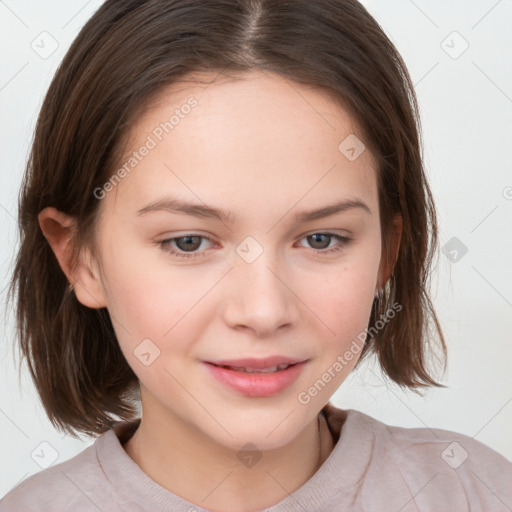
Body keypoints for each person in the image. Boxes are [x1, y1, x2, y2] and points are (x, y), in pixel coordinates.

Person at [2, 1, 511, 511]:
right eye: (188, 242)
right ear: (80, 259)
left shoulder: (475, 493)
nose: (264, 311)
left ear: (388, 253)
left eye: (321, 239)